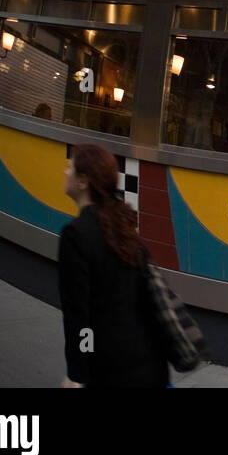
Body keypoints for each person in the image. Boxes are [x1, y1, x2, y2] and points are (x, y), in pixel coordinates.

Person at [58, 144, 169, 388]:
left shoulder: (75, 235)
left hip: (111, 369)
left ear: (83, 181)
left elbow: (78, 317)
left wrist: (76, 373)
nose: (65, 172)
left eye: (70, 168)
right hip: (150, 364)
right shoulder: (125, 230)